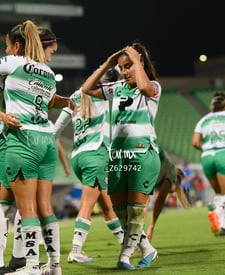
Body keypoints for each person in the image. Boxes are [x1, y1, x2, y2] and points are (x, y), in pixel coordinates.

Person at [0, 20, 75, 275]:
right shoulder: (8, 69)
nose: (52, 56)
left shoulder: (30, 70)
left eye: (8, 47)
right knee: (3, 203)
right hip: (1, 139)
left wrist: (66, 100)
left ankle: (21, 260)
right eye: (51, 51)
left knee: (24, 204)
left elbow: (47, 100)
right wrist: (2, 116)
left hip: (23, 138)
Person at [81, 42, 161, 270]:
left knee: (135, 212)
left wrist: (137, 61)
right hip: (117, 156)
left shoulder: (153, 87)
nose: (124, 72)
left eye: (128, 66)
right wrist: (107, 63)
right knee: (121, 213)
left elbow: (145, 88)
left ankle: (125, 256)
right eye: (122, 68)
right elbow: (87, 89)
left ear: (140, 64)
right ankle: (148, 249)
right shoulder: (116, 89)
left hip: (142, 154)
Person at [53, 67, 124, 264]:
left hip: (78, 157)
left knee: (107, 206)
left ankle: (126, 244)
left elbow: (54, 132)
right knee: (86, 206)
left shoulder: (73, 98)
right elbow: (125, 87)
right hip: (96, 154)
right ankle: (76, 249)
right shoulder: (103, 92)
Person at [192, 92, 225, 235]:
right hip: (224, 153)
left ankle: (223, 226)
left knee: (219, 194)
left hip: (207, 156)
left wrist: (205, 149)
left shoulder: (203, 119)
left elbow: (195, 142)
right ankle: (217, 211)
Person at [144, 147, 190, 241]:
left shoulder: (161, 177)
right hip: (153, 156)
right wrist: (149, 228)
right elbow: (156, 201)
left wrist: (147, 229)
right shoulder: (170, 174)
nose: (171, 193)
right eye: (173, 190)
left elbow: (148, 202)